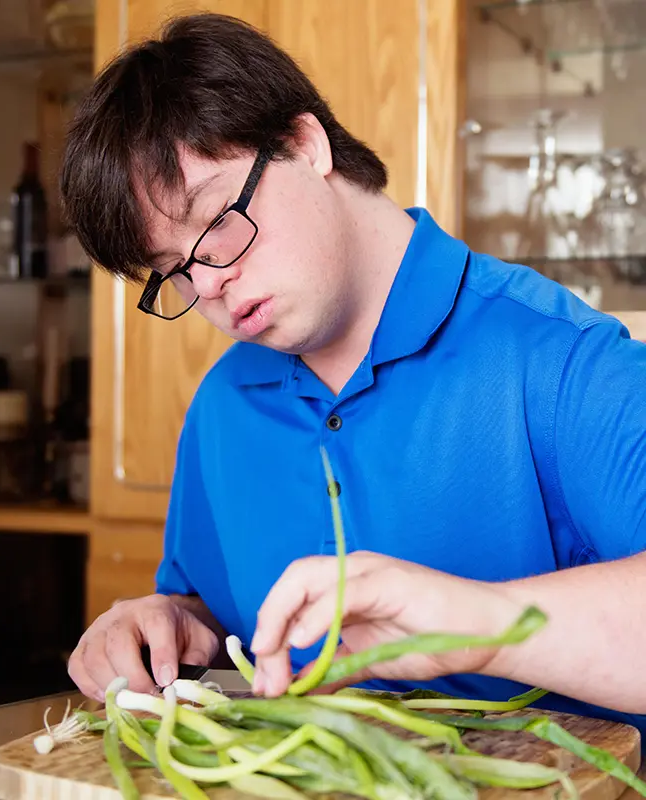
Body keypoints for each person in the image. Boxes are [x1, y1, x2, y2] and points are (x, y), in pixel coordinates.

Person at [59, 11, 646, 736]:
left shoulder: (560, 359)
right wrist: (167, 622)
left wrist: (467, 620)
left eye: (213, 225)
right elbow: (213, 610)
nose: (206, 284)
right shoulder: (223, 405)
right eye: (171, 271)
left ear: (305, 145)